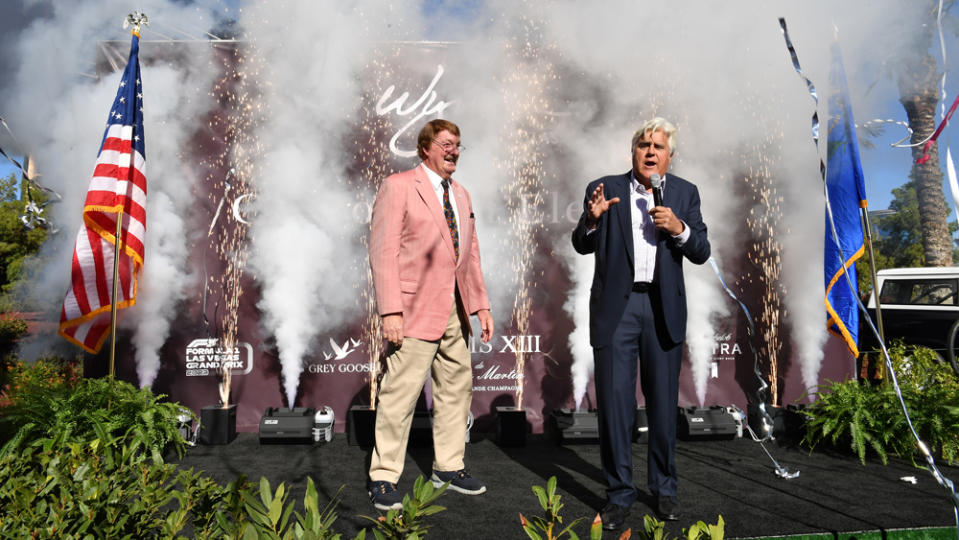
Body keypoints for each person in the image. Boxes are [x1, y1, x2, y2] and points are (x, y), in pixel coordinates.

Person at [571, 117, 710, 530]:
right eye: (643, 145)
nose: (651, 152)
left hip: (662, 308)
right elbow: (581, 244)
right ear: (632, 152)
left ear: (670, 156)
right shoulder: (605, 189)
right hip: (619, 309)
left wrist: (679, 229)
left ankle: (664, 490)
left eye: (659, 147)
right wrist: (592, 220)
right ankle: (618, 495)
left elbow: (701, 250)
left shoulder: (684, 193)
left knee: (664, 407)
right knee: (615, 407)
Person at [367, 118, 495, 511]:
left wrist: (480, 306)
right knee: (399, 396)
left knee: (457, 393)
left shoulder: (462, 194)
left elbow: (468, 256)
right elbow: (383, 252)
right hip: (412, 312)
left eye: (457, 144)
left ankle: (449, 467)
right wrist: (391, 311)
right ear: (426, 148)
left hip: (455, 312)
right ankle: (384, 477)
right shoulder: (399, 186)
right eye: (445, 144)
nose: (453, 150)